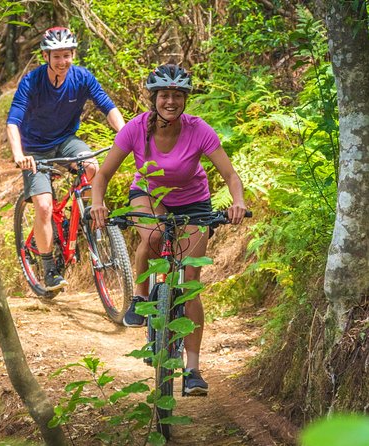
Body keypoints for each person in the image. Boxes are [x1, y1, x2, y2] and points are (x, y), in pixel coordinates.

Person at [89, 64, 246, 395]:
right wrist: (98, 204)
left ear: (185, 99)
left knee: (190, 283)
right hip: (149, 196)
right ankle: (140, 296)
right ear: (154, 98)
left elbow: (230, 175)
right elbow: (101, 176)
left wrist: (238, 202)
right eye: (164, 95)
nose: (170, 101)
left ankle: (192, 370)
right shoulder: (135, 129)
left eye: (177, 95)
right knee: (156, 235)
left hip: (194, 202)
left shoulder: (199, 129)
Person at [7, 26, 125, 291]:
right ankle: (49, 270)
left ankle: (85, 215)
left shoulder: (82, 78)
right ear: (46, 57)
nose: (62, 62)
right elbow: (13, 121)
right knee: (45, 207)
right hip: (34, 150)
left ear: (73, 54)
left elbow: (108, 106)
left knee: (92, 166)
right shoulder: (32, 82)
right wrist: (19, 155)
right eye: (56, 56)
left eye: (67, 55)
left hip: (65, 142)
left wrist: (126, 134)